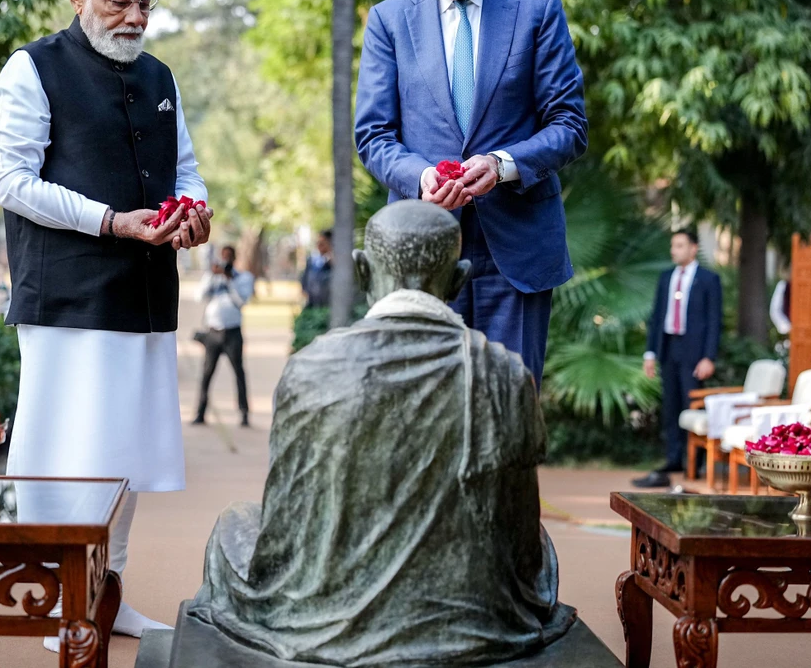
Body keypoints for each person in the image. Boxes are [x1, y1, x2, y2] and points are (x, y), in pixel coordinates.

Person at [189, 201, 574, 665]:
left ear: (363, 271)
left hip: (325, 615)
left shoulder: (311, 367)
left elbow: (282, 540)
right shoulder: (505, 374)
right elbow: (519, 546)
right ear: (459, 279)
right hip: (474, 615)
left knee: (236, 519)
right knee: (541, 542)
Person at [0, 0, 211, 652]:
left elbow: (188, 169)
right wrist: (112, 221)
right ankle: (60, 603)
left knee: (125, 455)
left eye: (145, 3)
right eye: (119, 0)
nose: (135, 16)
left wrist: (193, 212)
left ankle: (108, 594)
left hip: (144, 295)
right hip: (66, 297)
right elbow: (11, 183)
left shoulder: (159, 76)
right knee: (70, 451)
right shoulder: (33, 67)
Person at [354, 0, 588, 387]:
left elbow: (569, 125)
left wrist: (502, 165)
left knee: (510, 412)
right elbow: (373, 135)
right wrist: (421, 177)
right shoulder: (389, 21)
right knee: (428, 413)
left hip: (518, 253)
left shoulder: (537, 9)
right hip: (422, 253)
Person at [634, 229, 722, 488]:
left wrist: (708, 356)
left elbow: (715, 321)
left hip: (694, 352)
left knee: (691, 403)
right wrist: (650, 353)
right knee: (671, 406)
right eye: (673, 246)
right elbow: (657, 317)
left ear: (693, 248)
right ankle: (674, 459)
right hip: (669, 348)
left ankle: (698, 462)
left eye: (680, 245)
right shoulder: (666, 278)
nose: (674, 250)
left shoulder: (708, 279)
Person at [193, 245, 254, 427]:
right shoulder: (213, 277)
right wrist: (213, 276)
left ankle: (244, 413)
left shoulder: (243, 278)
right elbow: (199, 296)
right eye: (223, 257)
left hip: (233, 331)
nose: (225, 261)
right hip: (213, 331)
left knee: (238, 373)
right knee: (207, 373)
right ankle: (200, 413)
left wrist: (229, 281)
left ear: (234, 258)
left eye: (229, 257)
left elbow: (241, 302)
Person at [300, 229, 333, 308]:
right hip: (312, 298)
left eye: (322, 244)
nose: (319, 246)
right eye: (318, 243)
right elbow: (306, 275)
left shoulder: (332, 259)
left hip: (326, 300)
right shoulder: (312, 259)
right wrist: (304, 289)